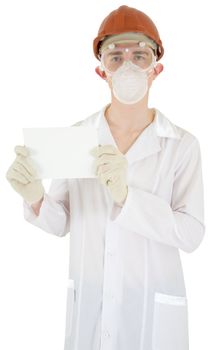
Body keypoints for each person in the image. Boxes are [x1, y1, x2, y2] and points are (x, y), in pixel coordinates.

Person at [6, 5, 205, 350]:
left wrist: (129, 197)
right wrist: (36, 197)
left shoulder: (181, 145)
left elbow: (191, 234)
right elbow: (61, 222)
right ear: (102, 72)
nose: (127, 66)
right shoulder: (77, 136)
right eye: (115, 57)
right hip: (90, 310)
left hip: (151, 315)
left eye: (139, 56)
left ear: (156, 69)